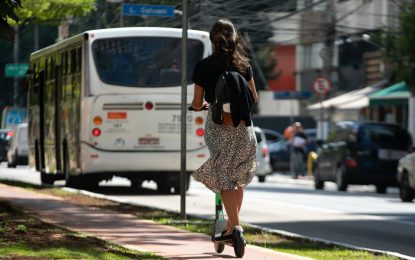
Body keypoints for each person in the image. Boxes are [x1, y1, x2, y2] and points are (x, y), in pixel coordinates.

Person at [190, 19, 259, 240]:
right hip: (244, 128)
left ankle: (235, 227)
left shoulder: (203, 67)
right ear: (235, 39)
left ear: (212, 40)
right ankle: (229, 226)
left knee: (223, 178)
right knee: (236, 178)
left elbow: (198, 103)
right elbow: (254, 98)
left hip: (219, 128)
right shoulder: (244, 66)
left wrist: (201, 106)